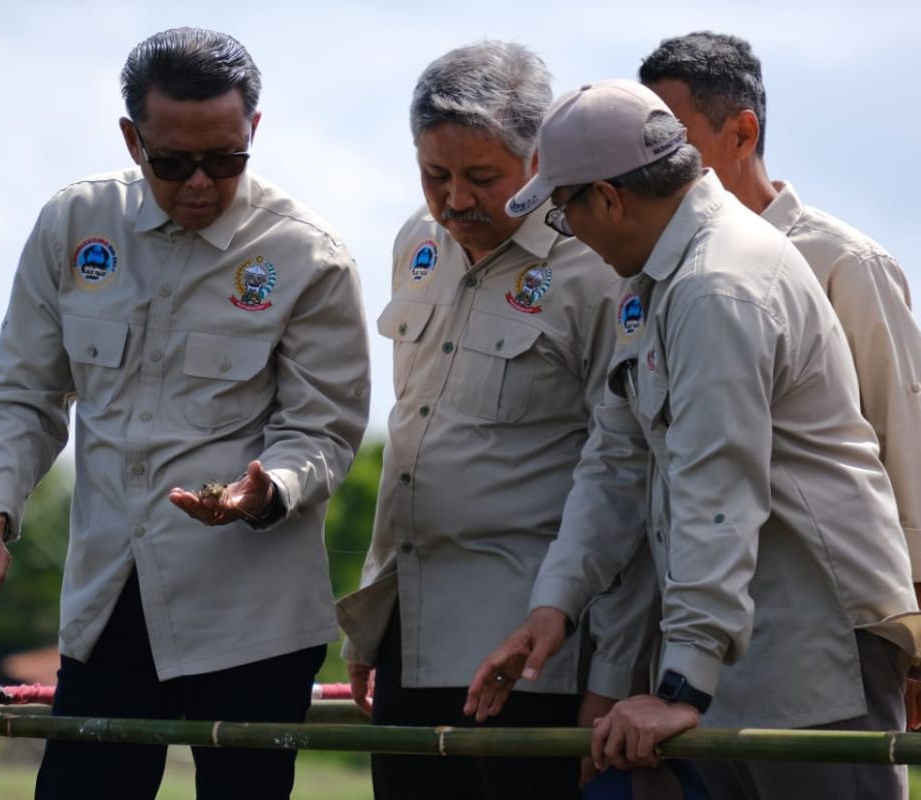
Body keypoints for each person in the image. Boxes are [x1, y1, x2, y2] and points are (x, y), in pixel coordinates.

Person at [0, 27, 370, 800]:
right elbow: (27, 394)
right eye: (173, 163)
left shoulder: (308, 256)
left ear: (253, 134)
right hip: (108, 604)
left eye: (225, 160)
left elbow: (325, 430)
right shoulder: (74, 226)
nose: (200, 182)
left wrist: (265, 490)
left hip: (253, 620)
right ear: (133, 139)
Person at [463, 79, 921, 800]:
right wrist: (554, 607)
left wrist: (680, 684)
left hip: (812, 640)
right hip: (740, 638)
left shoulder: (717, 287)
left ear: (610, 199)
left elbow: (719, 489)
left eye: (563, 210)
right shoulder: (655, 279)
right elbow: (615, 459)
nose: (567, 231)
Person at [336, 42, 650, 800]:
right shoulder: (418, 241)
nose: (454, 201)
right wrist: (370, 624)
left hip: (532, 653)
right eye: (434, 174)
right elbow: (412, 435)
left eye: (482, 178)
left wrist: (607, 682)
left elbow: (632, 478)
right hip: (410, 640)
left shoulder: (598, 266)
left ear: (541, 159)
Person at [638, 28, 921, 634]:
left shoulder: (844, 263)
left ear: (742, 133)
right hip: (696, 614)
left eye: (674, 147)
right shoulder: (650, 272)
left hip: (836, 619)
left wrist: (912, 627)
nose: (652, 171)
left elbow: (904, 440)